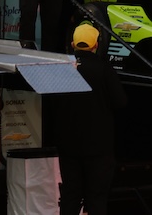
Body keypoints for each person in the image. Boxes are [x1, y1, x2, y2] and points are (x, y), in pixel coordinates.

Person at [54, 24, 127, 215]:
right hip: (99, 148)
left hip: (68, 146)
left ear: (72, 44)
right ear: (96, 45)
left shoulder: (63, 68)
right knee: (96, 199)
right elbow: (120, 102)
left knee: (70, 197)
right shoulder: (104, 69)